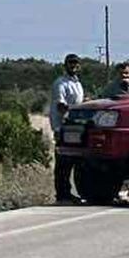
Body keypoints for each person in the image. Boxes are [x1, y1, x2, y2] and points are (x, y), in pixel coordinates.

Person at [50, 53, 85, 203]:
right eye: (71, 63)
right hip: (63, 127)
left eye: (76, 63)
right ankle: (62, 195)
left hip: (75, 128)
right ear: (65, 65)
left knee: (73, 161)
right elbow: (60, 106)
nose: (73, 66)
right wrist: (77, 112)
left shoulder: (77, 83)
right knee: (63, 163)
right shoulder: (61, 83)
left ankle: (69, 193)